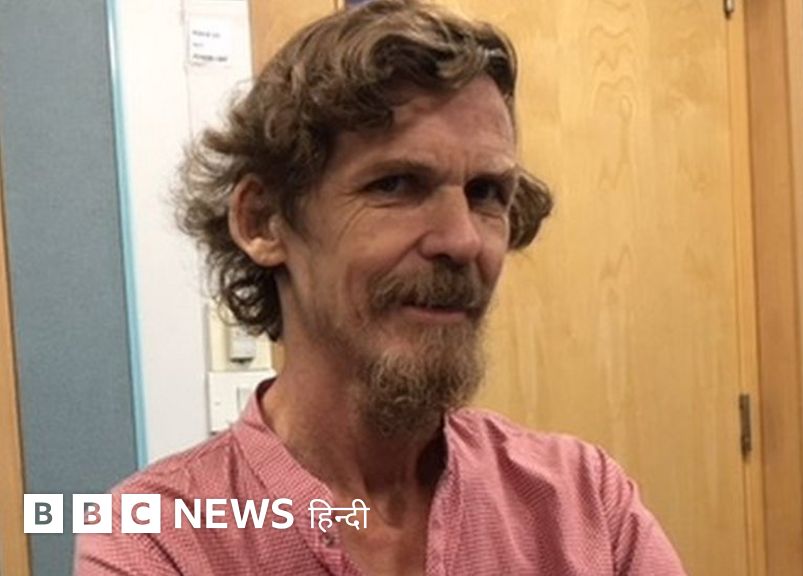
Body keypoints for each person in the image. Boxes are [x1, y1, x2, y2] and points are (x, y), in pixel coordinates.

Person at [76, 1, 685, 574]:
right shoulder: (160, 541)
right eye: (395, 184)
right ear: (262, 221)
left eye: (486, 194)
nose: (462, 240)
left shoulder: (584, 505)